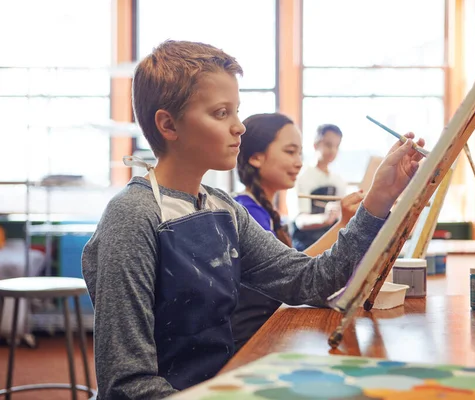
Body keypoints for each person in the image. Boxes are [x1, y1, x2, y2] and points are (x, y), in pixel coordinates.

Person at [81, 39, 425, 399]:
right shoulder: (133, 217)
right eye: (220, 113)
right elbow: (127, 384)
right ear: (169, 125)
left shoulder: (224, 209)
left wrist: (379, 198)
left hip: (224, 386)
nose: (239, 127)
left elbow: (313, 281)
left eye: (237, 111)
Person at [231, 112, 364, 351]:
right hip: (251, 342)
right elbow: (300, 275)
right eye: (290, 152)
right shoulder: (248, 213)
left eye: (299, 153)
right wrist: (343, 223)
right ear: (256, 157)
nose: (299, 162)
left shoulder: (264, 210)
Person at [292, 124, 347, 251]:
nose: (333, 150)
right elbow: (300, 220)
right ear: (316, 144)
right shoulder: (302, 177)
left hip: (332, 243)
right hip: (306, 244)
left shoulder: (338, 180)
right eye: (328, 145)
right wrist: (325, 218)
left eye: (337, 146)